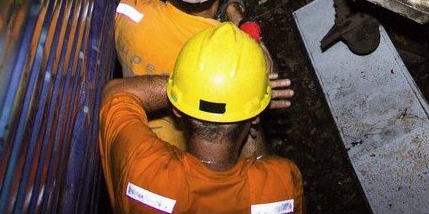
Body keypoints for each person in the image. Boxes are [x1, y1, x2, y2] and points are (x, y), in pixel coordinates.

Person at [99, 23, 302, 213]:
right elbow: (261, 165)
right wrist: (249, 95)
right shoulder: (282, 185)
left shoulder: (141, 168)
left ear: (177, 109)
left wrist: (191, 86)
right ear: (256, 116)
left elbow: (117, 93)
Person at [114, 0, 269, 149]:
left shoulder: (129, 9)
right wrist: (239, 18)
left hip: (136, 139)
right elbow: (262, 66)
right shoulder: (221, 55)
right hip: (185, 152)